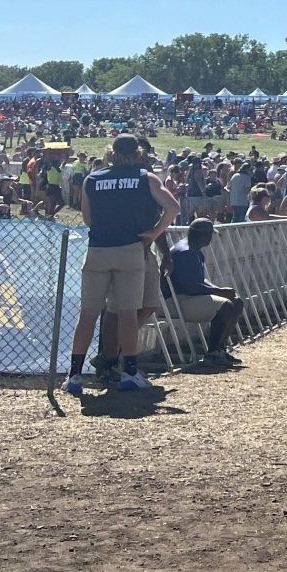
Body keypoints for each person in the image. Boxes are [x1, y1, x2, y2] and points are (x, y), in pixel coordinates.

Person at [65, 135, 179, 396]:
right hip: (130, 249)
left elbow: (87, 218)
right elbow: (172, 206)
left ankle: (74, 375)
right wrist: (153, 232)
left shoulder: (92, 179)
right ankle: (129, 371)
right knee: (128, 313)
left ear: (111, 152)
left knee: (88, 315)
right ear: (138, 153)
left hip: (98, 249)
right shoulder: (146, 178)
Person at [166, 218, 244, 367]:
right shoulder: (185, 253)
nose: (211, 238)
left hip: (188, 297)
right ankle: (212, 353)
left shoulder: (195, 250)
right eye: (210, 235)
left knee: (236, 302)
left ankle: (220, 349)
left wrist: (220, 291)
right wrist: (219, 291)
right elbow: (189, 287)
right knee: (225, 306)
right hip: (177, 300)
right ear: (204, 236)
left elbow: (201, 280)